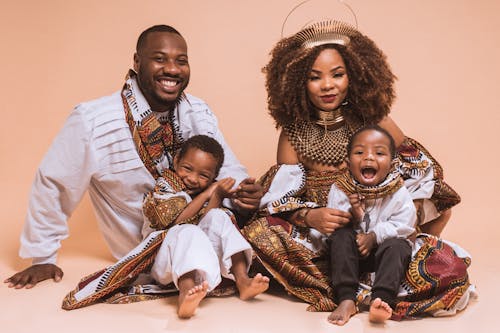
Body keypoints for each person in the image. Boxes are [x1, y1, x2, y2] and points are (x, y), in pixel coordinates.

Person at [242, 20, 472, 319]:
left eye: (338, 74)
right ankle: (350, 288)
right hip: (324, 239)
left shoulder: (373, 118)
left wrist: (406, 213)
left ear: (355, 75)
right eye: (315, 77)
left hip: (383, 232)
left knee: (447, 267)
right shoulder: (293, 133)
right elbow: (282, 196)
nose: (327, 85)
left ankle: (380, 287)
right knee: (259, 233)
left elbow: (419, 167)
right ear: (298, 81)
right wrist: (310, 215)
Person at [5, 25, 263, 290]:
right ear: (137, 62)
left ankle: (239, 278)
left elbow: (228, 167)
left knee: (276, 224)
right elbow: (54, 184)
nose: (172, 69)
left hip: (205, 232)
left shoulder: (197, 111)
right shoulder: (94, 119)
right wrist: (42, 257)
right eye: (160, 58)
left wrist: (244, 192)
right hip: (144, 252)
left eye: (181, 61)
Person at [61, 135, 269, 318]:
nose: (193, 178)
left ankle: (242, 280)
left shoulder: (207, 190)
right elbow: (176, 222)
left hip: (200, 257)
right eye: (187, 168)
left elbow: (205, 221)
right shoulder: (165, 185)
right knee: (186, 231)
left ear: (213, 176)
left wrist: (217, 196)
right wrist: (208, 193)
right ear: (176, 161)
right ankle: (186, 294)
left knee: (220, 216)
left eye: (203, 176)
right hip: (164, 260)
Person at [326, 125, 415, 325]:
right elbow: (334, 222)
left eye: (379, 153)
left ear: (392, 165)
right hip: (351, 257)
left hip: (383, 256)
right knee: (340, 236)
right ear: (348, 163)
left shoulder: (398, 191)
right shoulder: (341, 188)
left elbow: (404, 224)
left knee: (398, 246)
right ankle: (346, 298)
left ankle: (381, 300)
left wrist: (374, 236)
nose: (368, 158)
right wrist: (353, 216)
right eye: (359, 152)